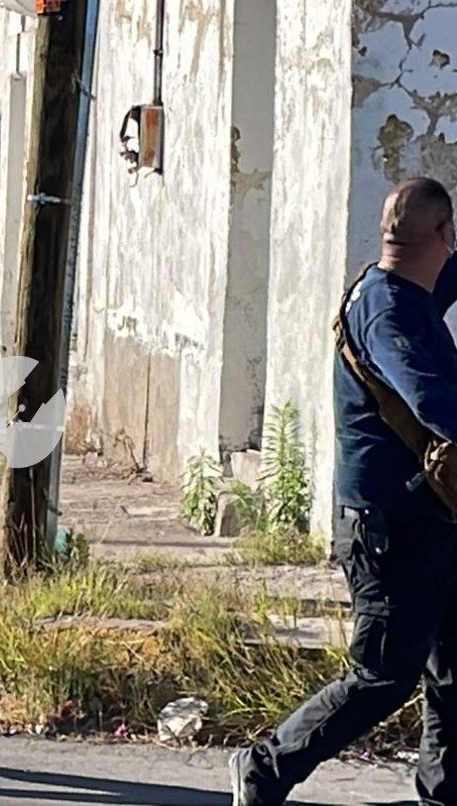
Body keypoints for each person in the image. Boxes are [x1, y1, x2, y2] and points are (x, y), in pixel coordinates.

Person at [230, 177, 457, 805]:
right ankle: (265, 767)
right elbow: (431, 399)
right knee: (385, 675)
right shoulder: (386, 312)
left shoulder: (408, 286)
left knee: (453, 670)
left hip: (431, 517)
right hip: (390, 526)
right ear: (443, 234)